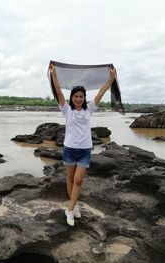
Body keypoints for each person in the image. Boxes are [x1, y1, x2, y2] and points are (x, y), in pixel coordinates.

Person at [49, 63, 116, 226]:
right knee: (70, 179)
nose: (78, 99)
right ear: (72, 98)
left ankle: (69, 210)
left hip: (85, 150)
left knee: (78, 181)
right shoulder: (66, 109)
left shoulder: (89, 109)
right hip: (70, 149)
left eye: (81, 96)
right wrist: (54, 74)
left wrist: (111, 79)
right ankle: (74, 204)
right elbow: (58, 91)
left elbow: (101, 92)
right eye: (76, 96)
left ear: (84, 98)